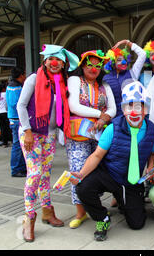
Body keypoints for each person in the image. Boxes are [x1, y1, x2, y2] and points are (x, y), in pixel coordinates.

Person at [69, 81, 154, 241]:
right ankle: (102, 218)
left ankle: (123, 201)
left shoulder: (152, 130)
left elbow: (152, 153)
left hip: (132, 180)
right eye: (129, 106)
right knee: (83, 188)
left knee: (137, 224)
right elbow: (97, 155)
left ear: (145, 109)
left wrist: (151, 166)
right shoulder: (112, 128)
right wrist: (81, 174)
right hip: (109, 174)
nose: (134, 112)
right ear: (124, 109)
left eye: (139, 106)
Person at [17, 44, 79, 242]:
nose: (55, 63)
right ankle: (29, 218)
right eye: (51, 59)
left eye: (59, 60)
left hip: (49, 134)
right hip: (31, 134)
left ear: (63, 64)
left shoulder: (61, 81)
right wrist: (27, 131)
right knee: (34, 174)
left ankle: (47, 212)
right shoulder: (34, 79)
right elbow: (21, 105)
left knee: (45, 175)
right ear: (45, 61)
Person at [66, 49, 116, 229]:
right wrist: (99, 115)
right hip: (78, 135)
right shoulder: (74, 81)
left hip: (100, 134)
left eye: (98, 65)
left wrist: (103, 119)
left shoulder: (106, 86)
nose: (94, 68)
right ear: (82, 65)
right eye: (90, 65)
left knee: (100, 170)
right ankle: (80, 212)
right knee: (78, 171)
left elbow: (113, 109)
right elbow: (74, 106)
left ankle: (95, 207)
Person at [102, 39, 147, 118]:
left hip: (130, 116)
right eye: (119, 60)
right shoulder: (106, 78)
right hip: (113, 118)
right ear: (112, 62)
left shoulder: (133, 73)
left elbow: (143, 54)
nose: (124, 62)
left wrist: (127, 42)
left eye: (125, 60)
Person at [6, 67, 27, 178]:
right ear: (20, 75)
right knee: (18, 145)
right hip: (17, 119)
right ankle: (16, 169)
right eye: (24, 74)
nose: (25, 77)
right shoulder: (16, 87)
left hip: (14, 118)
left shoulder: (11, 86)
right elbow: (17, 104)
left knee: (20, 145)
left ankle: (21, 167)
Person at [0, 83, 12, 147]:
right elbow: (8, 103)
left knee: (2, 128)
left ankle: (4, 142)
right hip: (5, 112)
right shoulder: (5, 94)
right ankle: (11, 140)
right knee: (8, 127)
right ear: (4, 88)